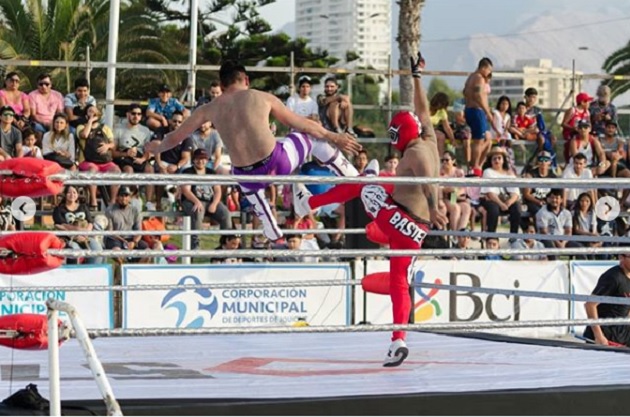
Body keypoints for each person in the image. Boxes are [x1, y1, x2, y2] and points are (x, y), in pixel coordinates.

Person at [293, 53, 448, 367]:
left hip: (400, 218)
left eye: (394, 137)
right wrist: (417, 77)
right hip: (415, 230)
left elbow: (427, 182)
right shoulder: (428, 139)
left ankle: (309, 203)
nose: (393, 143)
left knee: (364, 181)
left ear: (401, 135)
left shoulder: (415, 153)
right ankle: (398, 340)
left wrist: (435, 208)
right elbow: (422, 111)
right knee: (399, 282)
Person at [146, 60, 361, 241]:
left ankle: (268, 222)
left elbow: (175, 137)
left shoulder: (209, 109)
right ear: (246, 80)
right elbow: (302, 124)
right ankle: (353, 176)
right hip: (278, 164)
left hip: (250, 178)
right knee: (311, 137)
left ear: (222, 85)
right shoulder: (262, 97)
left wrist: (158, 146)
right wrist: (335, 137)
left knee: (239, 174)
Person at [584, 247, 630, 347]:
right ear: (621, 257)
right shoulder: (613, 277)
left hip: (621, 332)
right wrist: (599, 336)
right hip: (604, 334)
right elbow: (590, 305)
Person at [463, 57, 498, 176]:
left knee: (485, 139)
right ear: (483, 68)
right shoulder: (479, 78)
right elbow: (478, 95)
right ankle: (474, 167)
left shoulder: (470, 77)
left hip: (469, 110)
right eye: (489, 70)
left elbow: (465, 92)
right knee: (478, 141)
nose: (489, 73)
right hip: (477, 111)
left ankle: (475, 165)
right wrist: (487, 112)